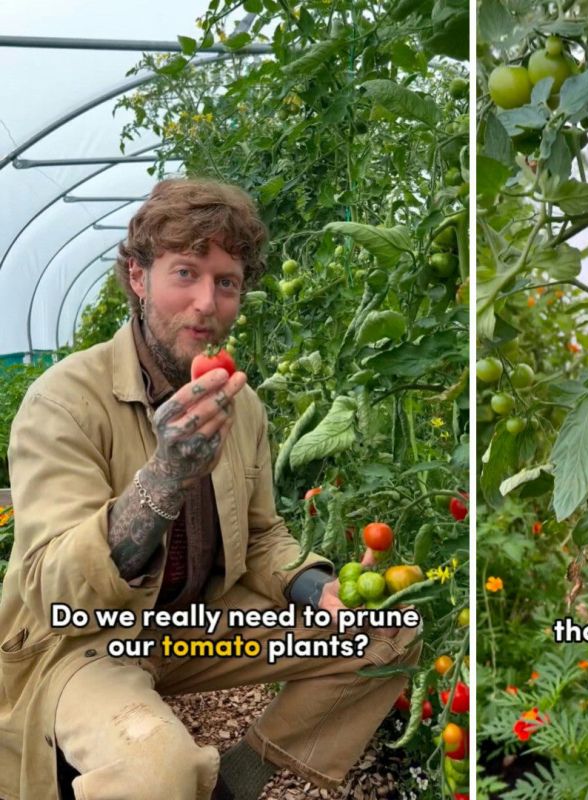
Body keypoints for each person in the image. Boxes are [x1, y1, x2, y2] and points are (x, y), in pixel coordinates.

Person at [0, 178, 421, 800]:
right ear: (138, 277)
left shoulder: (240, 404)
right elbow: (51, 583)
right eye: (185, 274)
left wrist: (318, 587)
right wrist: (166, 474)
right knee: (158, 771)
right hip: (84, 635)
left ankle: (236, 781)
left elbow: (260, 534)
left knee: (388, 632)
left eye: (226, 282)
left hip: (194, 623)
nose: (207, 302)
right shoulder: (65, 401)